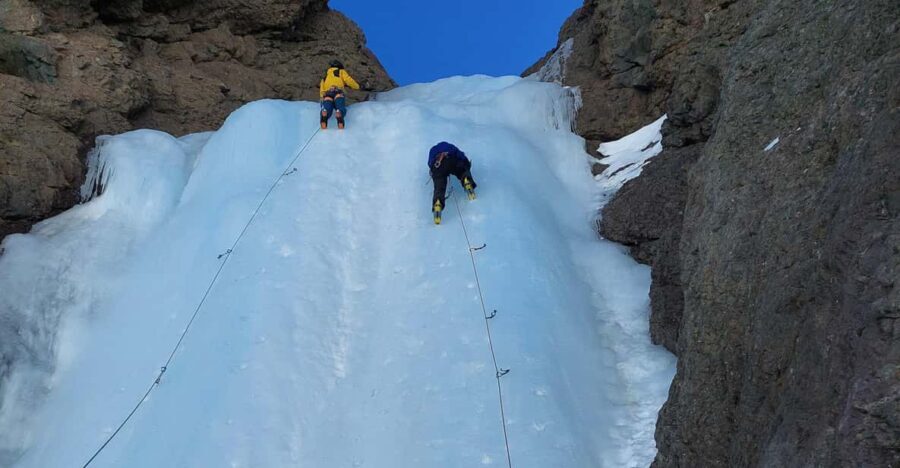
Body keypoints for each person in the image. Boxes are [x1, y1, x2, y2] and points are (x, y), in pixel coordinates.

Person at [428, 141, 477, 224]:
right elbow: (461, 155)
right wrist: (467, 165)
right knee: (461, 170)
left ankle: (438, 202)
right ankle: (466, 180)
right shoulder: (450, 146)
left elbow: (430, 163)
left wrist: (434, 171)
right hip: (451, 159)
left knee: (439, 185)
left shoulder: (433, 150)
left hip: (438, 164)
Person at [319, 59, 360, 129]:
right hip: (338, 92)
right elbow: (348, 80)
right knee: (340, 105)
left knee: (327, 107)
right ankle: (339, 113)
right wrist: (357, 86)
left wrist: (322, 97)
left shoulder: (326, 75)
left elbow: (322, 87)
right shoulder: (341, 71)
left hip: (327, 93)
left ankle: (325, 112)